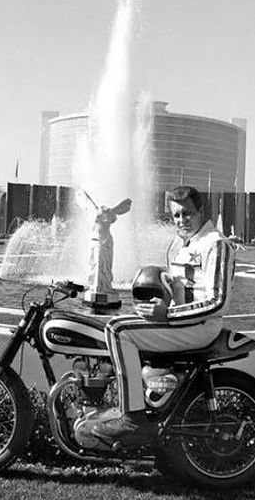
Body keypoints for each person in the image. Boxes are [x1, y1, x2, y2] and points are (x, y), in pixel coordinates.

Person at [93, 185, 235, 441]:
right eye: (176, 215)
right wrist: (153, 306)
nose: (182, 220)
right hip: (182, 323)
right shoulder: (177, 246)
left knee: (116, 330)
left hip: (200, 326)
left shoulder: (216, 244)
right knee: (117, 322)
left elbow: (218, 301)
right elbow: (174, 291)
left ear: (200, 210)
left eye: (187, 213)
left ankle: (132, 418)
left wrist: (167, 316)